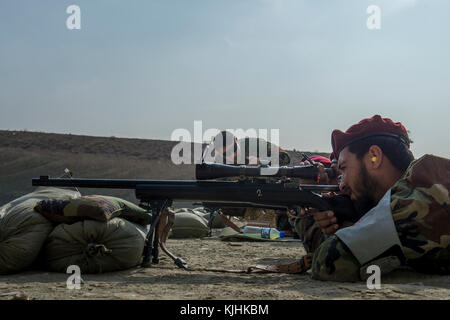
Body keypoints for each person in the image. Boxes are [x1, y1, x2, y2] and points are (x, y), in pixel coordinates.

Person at [299, 115, 449, 281]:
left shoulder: (415, 198)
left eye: (344, 168)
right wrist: (347, 225)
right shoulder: (423, 182)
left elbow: (329, 262)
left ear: (374, 156)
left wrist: (349, 229)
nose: (342, 185)